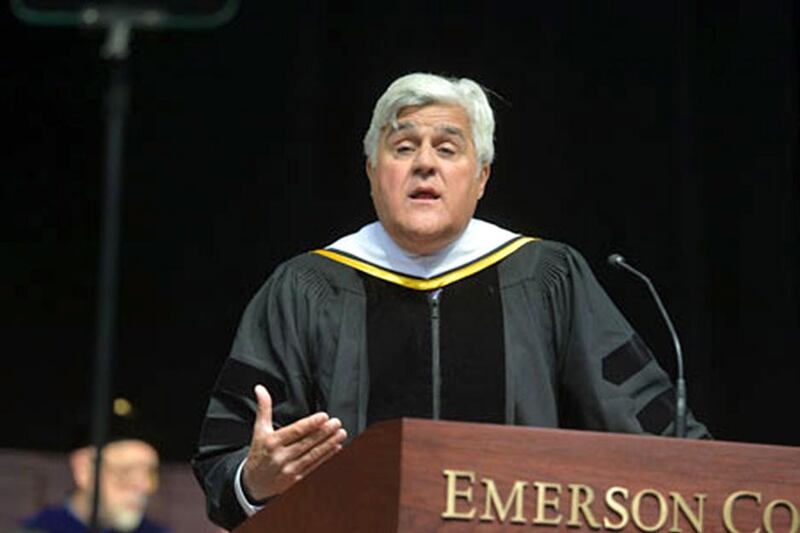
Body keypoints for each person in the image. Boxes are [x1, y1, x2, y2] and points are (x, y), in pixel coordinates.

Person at [192, 72, 710, 531]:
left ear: (480, 177)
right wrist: (254, 481)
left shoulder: (548, 278)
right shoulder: (306, 288)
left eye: (447, 147)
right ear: (372, 171)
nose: (424, 164)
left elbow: (654, 430)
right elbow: (228, 465)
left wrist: (725, 484)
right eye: (402, 147)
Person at [22, 438, 169, 533]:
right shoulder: (40, 528)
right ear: (84, 470)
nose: (145, 486)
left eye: (151, 473)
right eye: (127, 471)